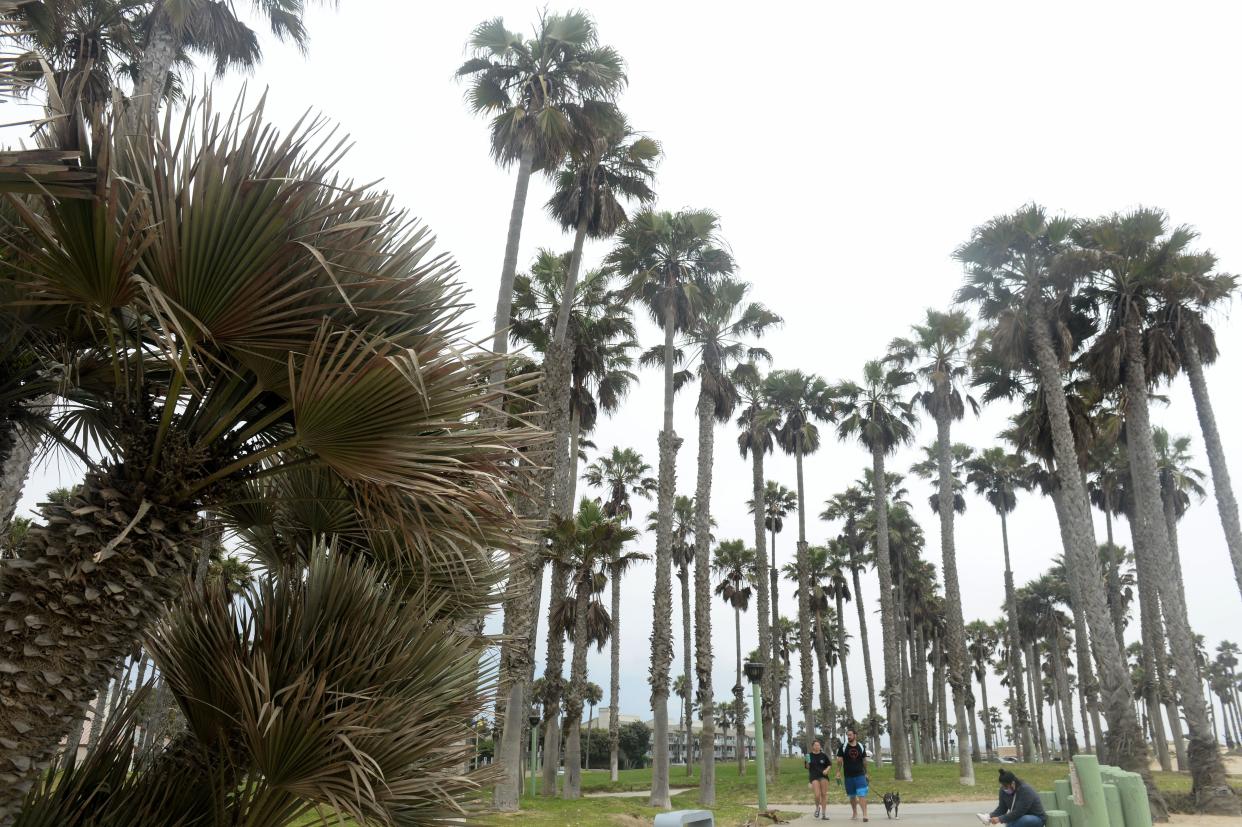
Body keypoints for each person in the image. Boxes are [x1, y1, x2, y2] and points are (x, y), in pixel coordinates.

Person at [978, 769, 1047, 827]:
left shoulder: (1026, 790)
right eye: (1002, 785)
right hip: (1018, 817)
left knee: (1021, 820)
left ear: (1013, 783)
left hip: (1036, 818)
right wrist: (990, 816)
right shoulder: (1003, 790)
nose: (1004, 788)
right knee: (1011, 823)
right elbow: (1002, 809)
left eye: (1005, 786)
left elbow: (1019, 812)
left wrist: (1000, 819)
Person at [836, 727, 870, 822]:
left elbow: (864, 760)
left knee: (862, 794)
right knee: (852, 796)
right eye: (848, 735)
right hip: (848, 776)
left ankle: (865, 815)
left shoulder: (861, 746)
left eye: (850, 735)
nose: (849, 737)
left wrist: (866, 773)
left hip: (860, 774)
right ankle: (855, 813)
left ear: (855, 735)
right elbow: (839, 760)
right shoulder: (843, 747)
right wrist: (838, 771)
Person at [805, 739, 832, 820]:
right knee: (817, 795)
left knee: (824, 794)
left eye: (818, 745)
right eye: (816, 745)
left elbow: (829, 764)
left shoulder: (823, 755)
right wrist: (807, 761)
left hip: (823, 776)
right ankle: (817, 808)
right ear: (812, 747)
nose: (817, 746)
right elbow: (807, 767)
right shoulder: (809, 755)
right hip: (814, 777)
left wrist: (826, 770)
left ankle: (824, 814)